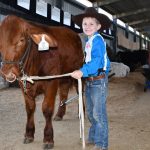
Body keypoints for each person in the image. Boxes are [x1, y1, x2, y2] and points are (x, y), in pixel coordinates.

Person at [71, 7, 111, 150]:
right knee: (90, 113)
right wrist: (82, 71)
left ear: (98, 26)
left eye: (91, 24)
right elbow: (89, 61)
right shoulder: (89, 41)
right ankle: (94, 137)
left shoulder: (98, 40)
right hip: (90, 82)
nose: (87, 27)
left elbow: (97, 61)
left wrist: (82, 71)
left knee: (98, 114)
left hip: (99, 82)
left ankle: (101, 144)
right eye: (85, 24)